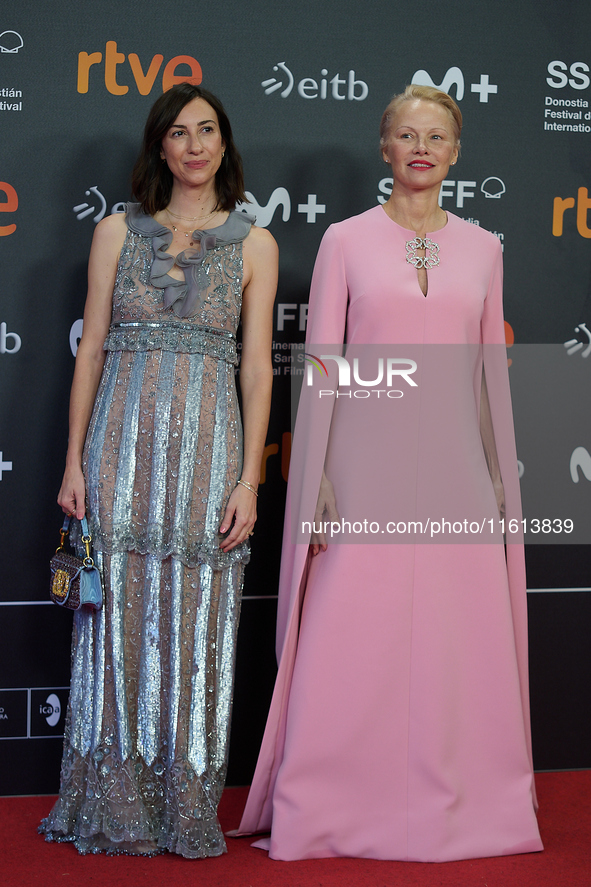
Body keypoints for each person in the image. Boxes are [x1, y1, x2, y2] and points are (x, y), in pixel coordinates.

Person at [234, 85, 543, 861]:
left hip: (455, 473)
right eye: (405, 134)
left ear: (455, 151)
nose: (420, 147)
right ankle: (334, 805)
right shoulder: (344, 240)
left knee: (458, 642)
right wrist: (318, 475)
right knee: (351, 638)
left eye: (434, 136)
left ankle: (472, 806)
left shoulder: (484, 248)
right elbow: (324, 366)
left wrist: (496, 479)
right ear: (384, 147)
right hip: (361, 468)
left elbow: (484, 378)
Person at [40, 83, 278, 858]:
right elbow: (92, 349)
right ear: (161, 148)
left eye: (207, 130)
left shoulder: (255, 244)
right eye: (179, 133)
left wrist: (248, 478)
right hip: (119, 450)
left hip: (210, 456)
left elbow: (256, 370)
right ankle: (110, 802)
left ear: (224, 142)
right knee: (117, 621)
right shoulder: (116, 233)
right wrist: (74, 459)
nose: (195, 145)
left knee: (199, 624)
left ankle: (183, 806)